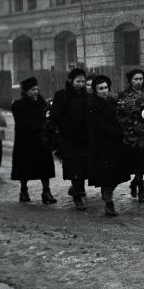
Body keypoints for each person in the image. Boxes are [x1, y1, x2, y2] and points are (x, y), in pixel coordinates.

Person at [87, 74, 131, 217]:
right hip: (101, 145)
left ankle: (107, 195)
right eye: (100, 89)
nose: (104, 91)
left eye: (106, 88)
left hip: (115, 145)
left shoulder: (112, 102)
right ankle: (108, 202)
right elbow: (99, 125)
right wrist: (118, 131)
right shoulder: (92, 105)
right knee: (107, 176)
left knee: (117, 175)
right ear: (95, 90)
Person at [11, 76, 56, 204]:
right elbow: (22, 123)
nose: (36, 91)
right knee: (24, 168)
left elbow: (46, 117)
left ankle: (46, 192)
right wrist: (40, 126)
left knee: (45, 167)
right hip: (26, 142)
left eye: (37, 89)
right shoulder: (18, 105)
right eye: (32, 90)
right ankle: (24, 191)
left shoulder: (41, 102)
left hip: (42, 141)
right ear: (26, 91)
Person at [50, 67, 90, 211]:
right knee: (74, 167)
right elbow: (55, 115)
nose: (81, 84)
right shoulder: (61, 95)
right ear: (70, 81)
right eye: (78, 81)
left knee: (84, 166)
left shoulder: (86, 96)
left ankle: (77, 189)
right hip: (68, 138)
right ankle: (77, 196)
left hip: (84, 137)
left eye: (83, 81)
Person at [117, 68, 144, 204]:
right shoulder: (124, 95)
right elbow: (120, 114)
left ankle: (139, 186)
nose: (139, 82)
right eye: (136, 79)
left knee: (142, 162)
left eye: (141, 79)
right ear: (130, 81)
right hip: (131, 133)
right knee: (135, 162)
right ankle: (136, 184)